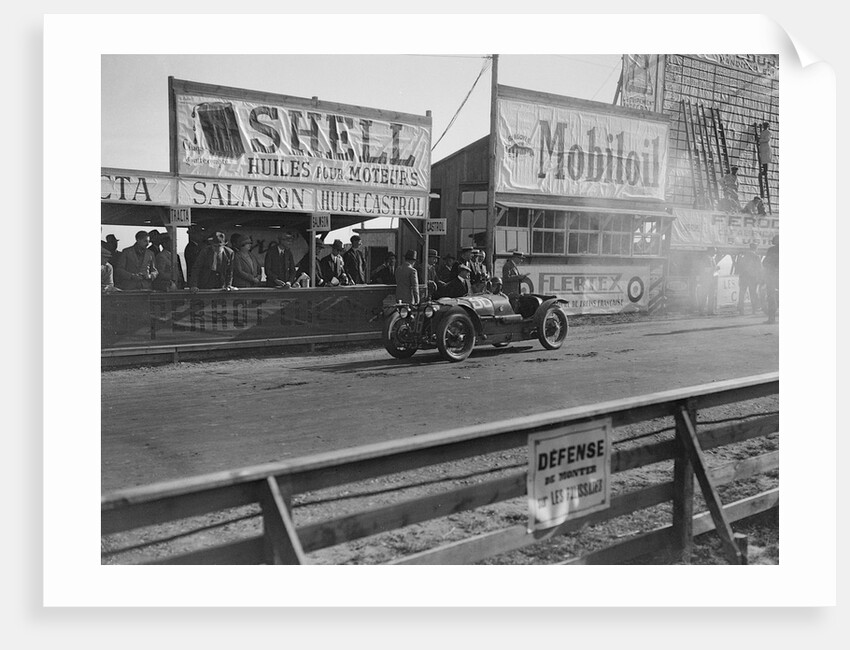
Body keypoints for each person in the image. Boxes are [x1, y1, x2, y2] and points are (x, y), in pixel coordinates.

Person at [735, 243, 761, 315]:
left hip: (743, 277)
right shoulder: (756, 257)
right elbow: (759, 268)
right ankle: (754, 310)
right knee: (753, 294)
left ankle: (741, 310)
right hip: (752, 278)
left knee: (742, 293)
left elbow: (739, 266)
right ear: (756, 248)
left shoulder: (744, 256)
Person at [695, 247, 719, 316]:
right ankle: (703, 311)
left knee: (709, 296)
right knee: (705, 296)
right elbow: (706, 269)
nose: (715, 253)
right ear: (710, 251)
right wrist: (716, 268)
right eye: (714, 251)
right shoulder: (707, 258)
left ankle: (709, 311)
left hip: (710, 280)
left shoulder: (710, 258)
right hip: (707, 280)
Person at [763, 234, 779, 324]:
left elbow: (765, 262)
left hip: (772, 275)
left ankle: (772, 318)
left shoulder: (771, 250)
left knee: (771, 296)